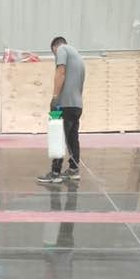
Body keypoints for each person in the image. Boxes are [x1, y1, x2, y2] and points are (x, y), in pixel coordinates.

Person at [37, 36, 85, 185]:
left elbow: (61, 72)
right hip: (77, 105)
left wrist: (54, 97)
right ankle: (73, 170)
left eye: (54, 54)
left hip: (65, 104)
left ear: (55, 47)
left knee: (58, 137)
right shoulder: (78, 57)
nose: (56, 57)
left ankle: (55, 173)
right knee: (72, 138)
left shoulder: (62, 49)